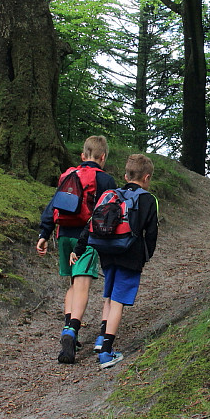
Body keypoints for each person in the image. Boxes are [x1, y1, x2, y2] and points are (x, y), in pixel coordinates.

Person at [71, 153, 158, 369]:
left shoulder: (110, 195)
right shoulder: (148, 199)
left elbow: (91, 223)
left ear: (126, 175)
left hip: (107, 251)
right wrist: (146, 257)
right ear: (146, 178)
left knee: (109, 297)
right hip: (130, 254)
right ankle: (107, 353)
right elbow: (152, 234)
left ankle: (101, 339)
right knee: (119, 301)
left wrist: (79, 249)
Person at [36, 136, 117, 364]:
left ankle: (67, 326)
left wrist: (44, 234)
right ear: (103, 157)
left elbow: (53, 205)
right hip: (86, 238)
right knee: (82, 283)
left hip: (63, 236)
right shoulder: (105, 179)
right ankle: (72, 331)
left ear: (83, 156)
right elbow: (109, 212)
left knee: (72, 283)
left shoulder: (68, 175)